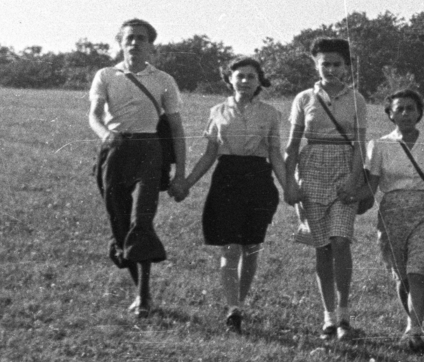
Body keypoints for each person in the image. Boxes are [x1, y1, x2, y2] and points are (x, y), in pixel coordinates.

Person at [171, 57, 292, 333]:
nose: (245, 81)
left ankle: (239, 302)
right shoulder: (217, 111)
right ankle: (233, 308)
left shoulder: (271, 114)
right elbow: (210, 153)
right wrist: (187, 182)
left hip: (258, 180)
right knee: (230, 245)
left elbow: (275, 154)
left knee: (251, 247)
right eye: (240, 76)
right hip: (227, 179)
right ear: (230, 79)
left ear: (259, 81)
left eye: (251, 76)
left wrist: (289, 189)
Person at [88, 19, 187, 319]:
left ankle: (143, 297)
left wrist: (180, 173)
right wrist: (107, 136)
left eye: (141, 38)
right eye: (129, 38)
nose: (134, 43)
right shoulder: (105, 75)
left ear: (151, 44)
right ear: (120, 42)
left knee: (140, 221)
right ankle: (138, 287)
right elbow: (93, 115)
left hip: (149, 150)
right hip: (115, 149)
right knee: (119, 224)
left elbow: (177, 128)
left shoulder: (164, 80)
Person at [284, 37, 369, 342]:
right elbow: (292, 145)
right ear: (315, 64)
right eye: (325, 63)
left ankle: (345, 314)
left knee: (340, 241)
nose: (331, 69)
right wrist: (289, 183)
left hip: (344, 171)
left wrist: (354, 177)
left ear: (346, 66)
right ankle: (328, 317)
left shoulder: (356, 99)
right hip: (312, 169)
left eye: (337, 63)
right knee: (321, 246)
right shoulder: (304, 98)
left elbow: (360, 144)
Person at [366, 89, 424, 353]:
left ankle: (416, 331)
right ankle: (410, 324)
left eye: (410, 108)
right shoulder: (379, 145)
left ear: (419, 112)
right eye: (399, 109)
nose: (405, 114)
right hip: (391, 213)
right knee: (402, 275)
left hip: (423, 211)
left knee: (417, 272)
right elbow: (372, 186)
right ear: (390, 113)